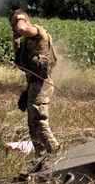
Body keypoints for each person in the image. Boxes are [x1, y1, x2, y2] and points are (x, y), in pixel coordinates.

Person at [9, 9, 60, 155]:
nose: (14, 29)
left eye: (14, 25)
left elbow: (23, 28)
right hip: (34, 84)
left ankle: (57, 154)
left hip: (42, 84)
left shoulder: (37, 32)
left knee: (39, 122)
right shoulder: (26, 41)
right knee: (33, 125)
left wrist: (19, 19)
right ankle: (42, 157)